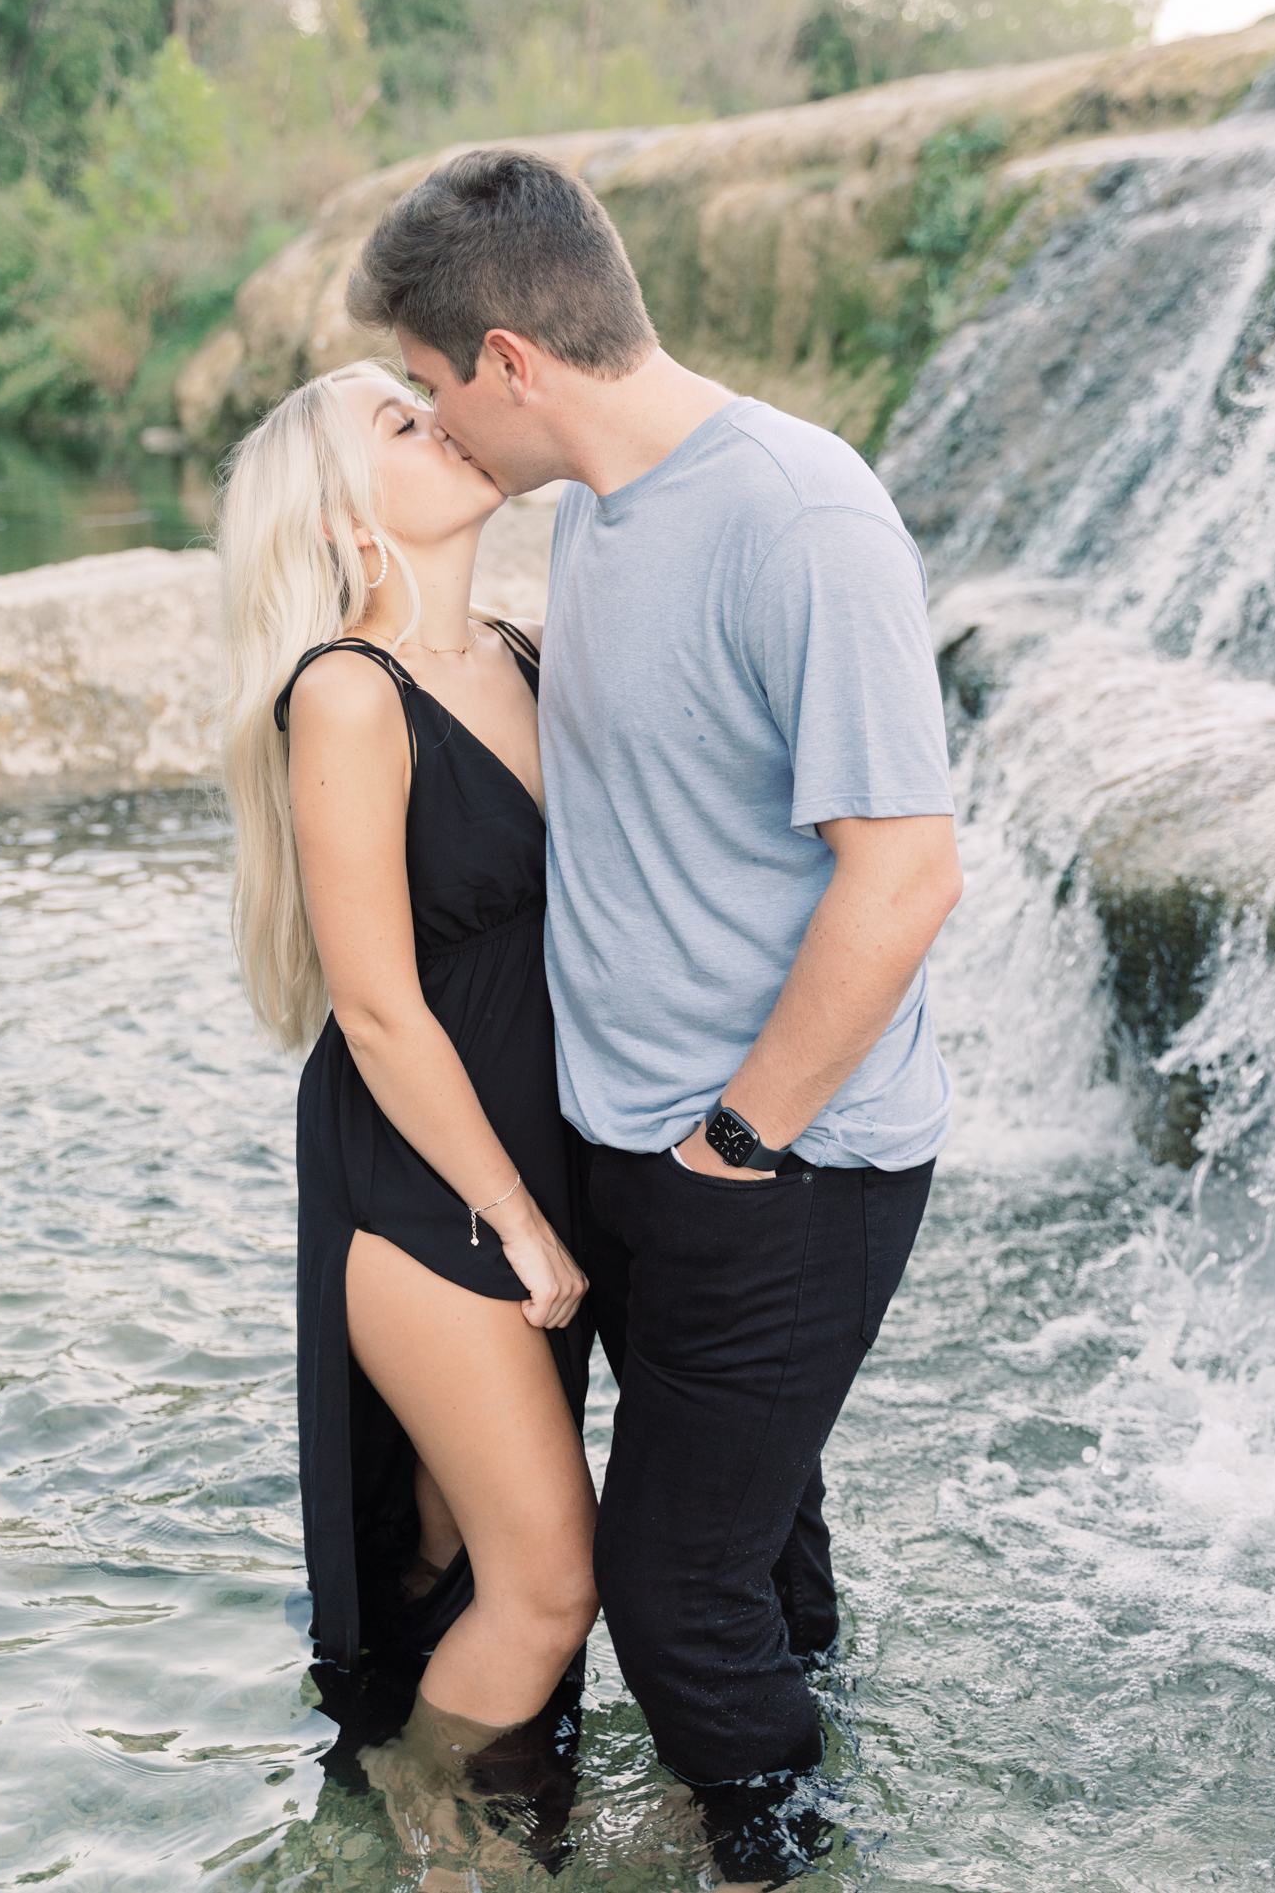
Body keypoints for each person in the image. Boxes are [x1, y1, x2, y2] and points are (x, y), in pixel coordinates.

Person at [348, 150, 963, 1794]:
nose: (435, 424)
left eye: (429, 387)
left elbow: (904, 875)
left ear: (512, 365)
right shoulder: (603, 517)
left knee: (672, 1596)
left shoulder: (799, 513)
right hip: (628, 1151)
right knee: (754, 1556)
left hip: (780, 1161)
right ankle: (823, 1787)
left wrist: (736, 1144)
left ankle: (778, 1855)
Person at [214, 361, 599, 1761]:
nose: (440, 421)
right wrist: (515, 1218)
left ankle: (447, 1816)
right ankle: (416, 1850)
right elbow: (374, 1007)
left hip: (558, 1152)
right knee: (550, 1587)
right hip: (435, 1189)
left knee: (452, 1555)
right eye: (398, 422)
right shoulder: (346, 694)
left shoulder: (525, 649)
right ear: (336, 516)